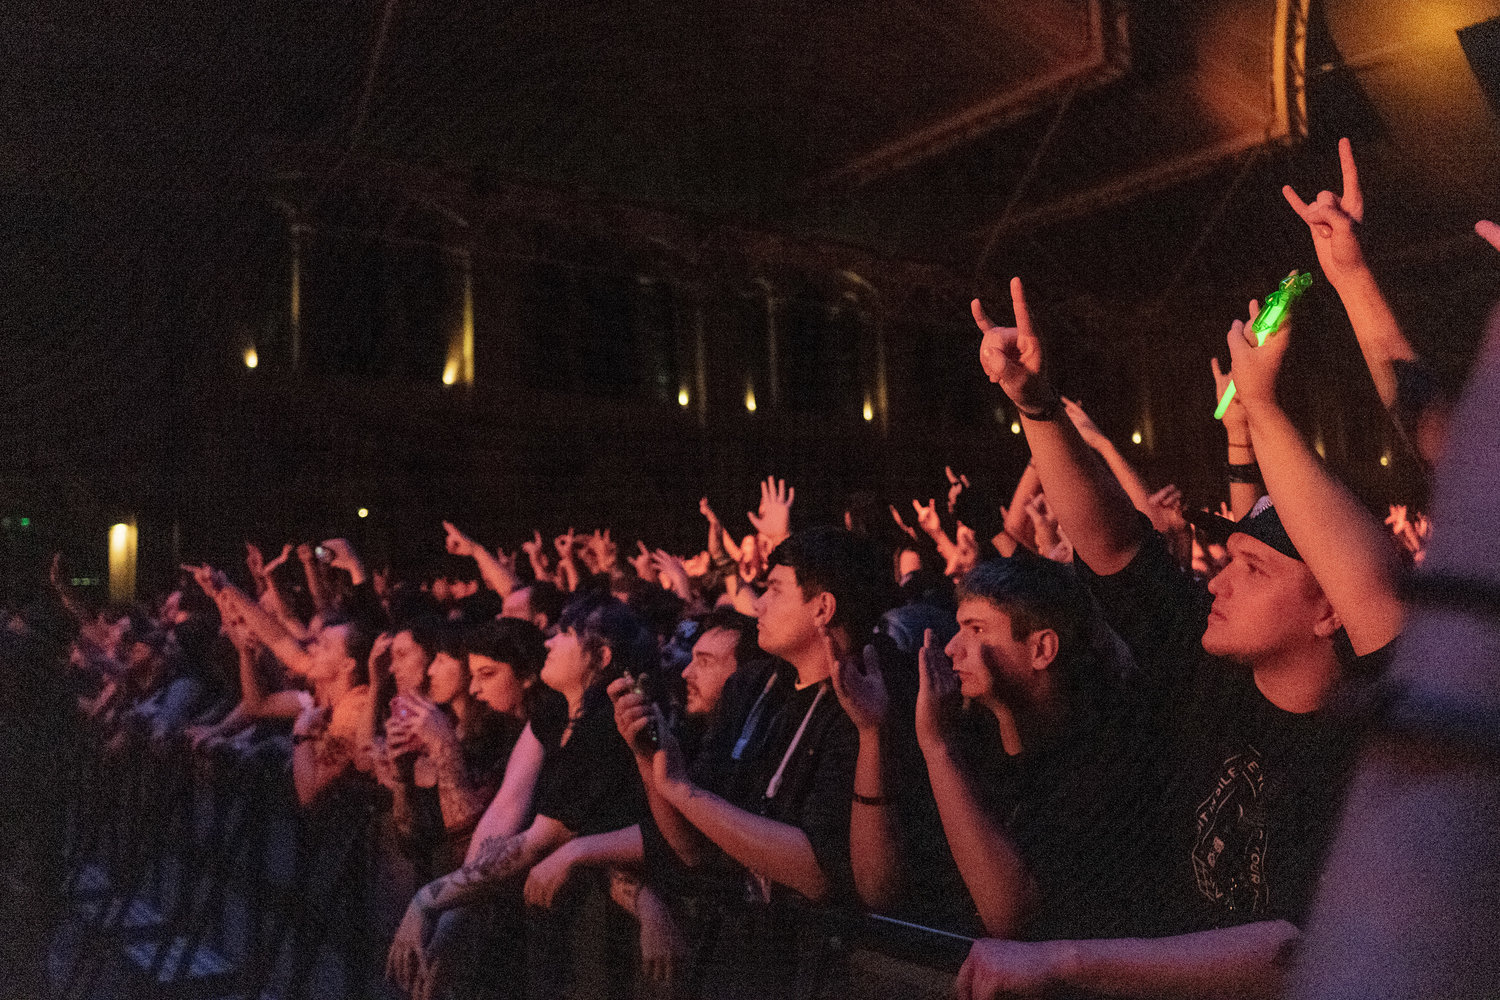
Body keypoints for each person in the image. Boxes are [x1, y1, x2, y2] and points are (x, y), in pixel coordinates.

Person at [951, 276, 1403, 998]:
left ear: (1329, 609)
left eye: (1251, 569)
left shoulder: (1367, 745)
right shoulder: (1202, 665)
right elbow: (1109, 542)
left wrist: (1067, 960)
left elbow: (1289, 948)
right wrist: (1035, 405)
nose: (1217, 583)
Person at [612, 525, 891, 998]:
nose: (757, 604)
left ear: (823, 608)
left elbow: (817, 870)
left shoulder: (871, 699)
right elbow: (691, 846)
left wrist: (685, 791)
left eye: (773, 590)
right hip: (729, 957)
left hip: (812, 970)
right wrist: (649, 757)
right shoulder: (755, 685)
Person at [386, 594, 651, 1000]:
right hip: (553, 917)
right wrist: (455, 918)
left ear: (599, 655)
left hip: (601, 923)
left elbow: (534, 842)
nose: (548, 642)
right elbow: (504, 811)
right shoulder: (553, 714)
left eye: (564, 634)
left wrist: (429, 901)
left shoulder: (605, 727)